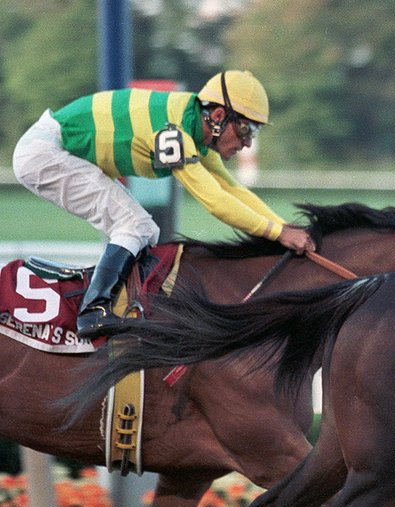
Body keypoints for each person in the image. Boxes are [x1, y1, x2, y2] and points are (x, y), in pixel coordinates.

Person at [11, 70, 316, 339]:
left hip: (54, 150)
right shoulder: (175, 131)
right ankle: (93, 312)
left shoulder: (195, 127)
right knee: (135, 225)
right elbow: (215, 201)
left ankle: (121, 306)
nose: (247, 143)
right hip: (46, 152)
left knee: (145, 230)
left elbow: (232, 189)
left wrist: (283, 226)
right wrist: (278, 233)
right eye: (247, 129)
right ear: (218, 116)